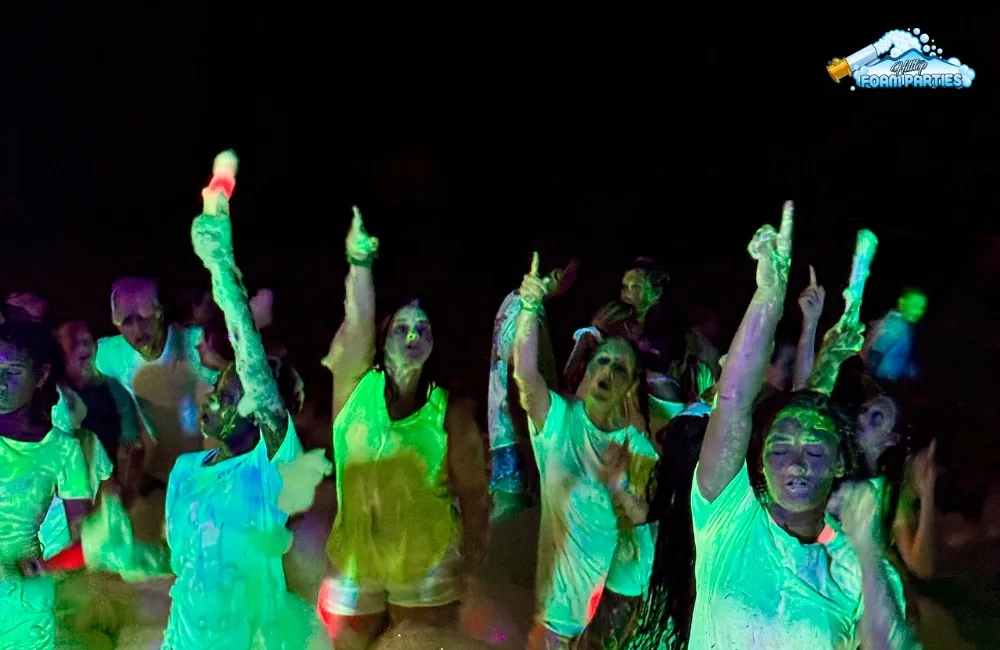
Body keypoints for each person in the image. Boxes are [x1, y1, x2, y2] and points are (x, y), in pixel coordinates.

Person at [691, 201, 918, 649]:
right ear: (758, 459)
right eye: (779, 448)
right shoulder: (727, 519)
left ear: (838, 464)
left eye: (815, 451)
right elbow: (733, 400)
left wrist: (869, 551)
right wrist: (768, 298)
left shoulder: (854, 567)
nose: (796, 461)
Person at [318, 208, 489, 650]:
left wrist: (470, 562)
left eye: (423, 328)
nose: (413, 336)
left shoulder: (450, 413)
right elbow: (356, 322)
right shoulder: (354, 386)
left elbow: (473, 494)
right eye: (402, 327)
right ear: (382, 333)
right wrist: (359, 264)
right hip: (355, 559)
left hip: (426, 563)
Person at [513, 252, 656, 650]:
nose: (608, 371)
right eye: (603, 361)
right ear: (590, 369)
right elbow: (526, 378)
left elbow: (644, 517)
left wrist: (618, 487)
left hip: (609, 615)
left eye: (620, 369)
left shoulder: (636, 446)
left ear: (629, 387)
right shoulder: (559, 421)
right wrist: (528, 308)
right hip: (556, 615)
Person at [0, 320, 92, 649]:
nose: (0, 382)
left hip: (22, 602)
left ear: (40, 376)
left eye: (13, 371)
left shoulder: (62, 450)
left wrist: (45, 567)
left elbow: (87, 543)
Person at [488, 256, 577, 520]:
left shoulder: (514, 303)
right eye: (572, 275)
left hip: (512, 435)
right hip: (516, 439)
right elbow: (519, 378)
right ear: (559, 274)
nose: (574, 283)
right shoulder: (525, 311)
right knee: (514, 529)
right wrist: (528, 444)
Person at [861, 288, 927, 382]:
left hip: (886, 381)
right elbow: (873, 355)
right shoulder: (895, 324)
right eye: (915, 306)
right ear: (902, 302)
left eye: (922, 308)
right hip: (881, 382)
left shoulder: (902, 322)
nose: (919, 312)